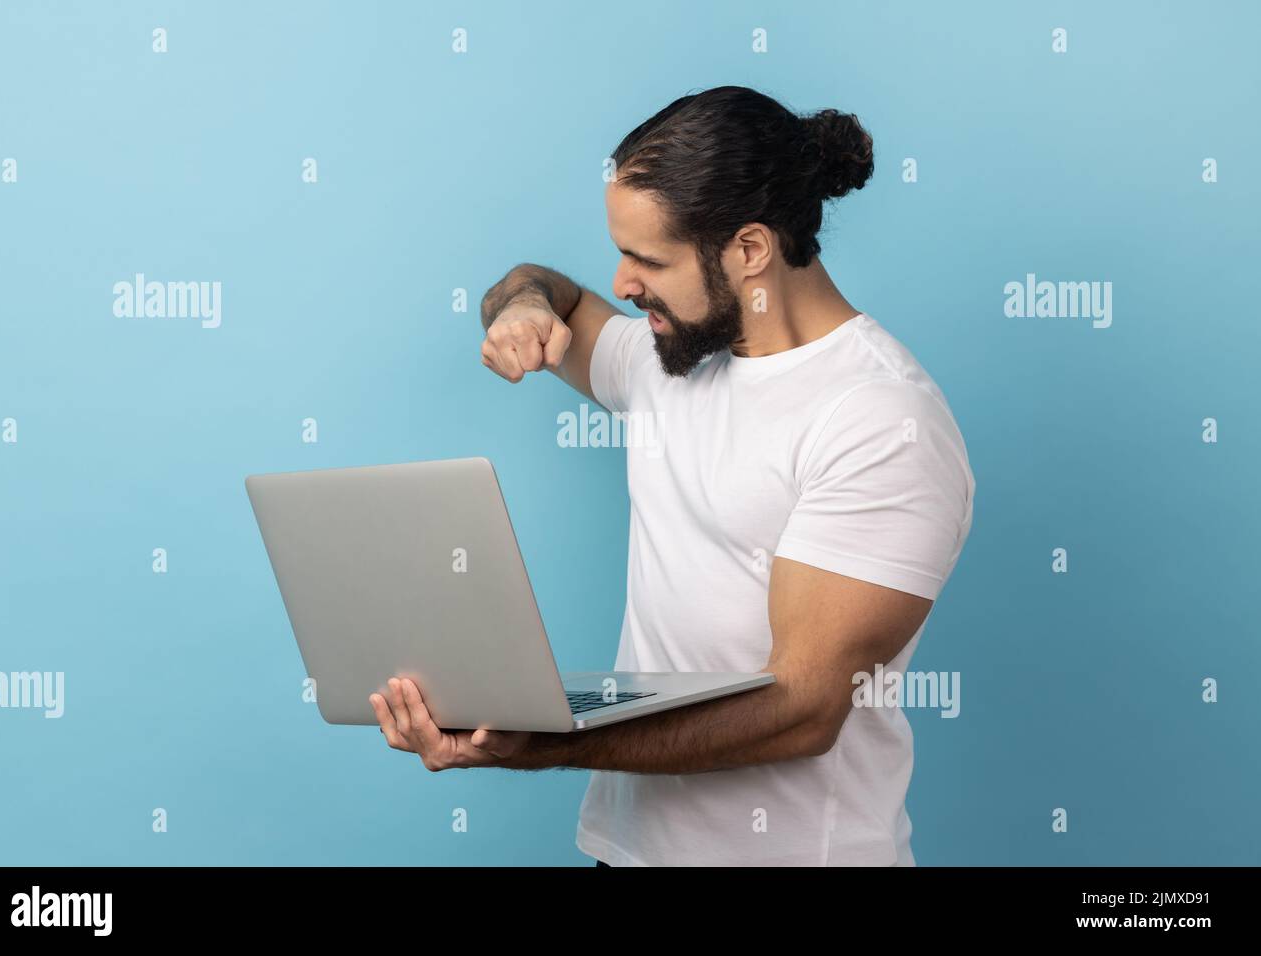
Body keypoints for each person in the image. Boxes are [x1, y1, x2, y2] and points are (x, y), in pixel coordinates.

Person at [370, 85, 975, 866]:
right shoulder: (670, 358)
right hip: (626, 851)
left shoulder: (879, 420)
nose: (622, 283)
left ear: (749, 250)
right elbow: (539, 281)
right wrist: (522, 307)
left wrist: (554, 742)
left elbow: (803, 708)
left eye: (649, 259)